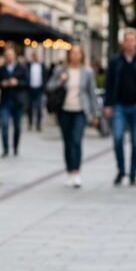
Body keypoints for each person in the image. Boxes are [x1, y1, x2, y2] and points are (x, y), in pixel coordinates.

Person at [46, 45, 98, 187]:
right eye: (73, 53)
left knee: (76, 140)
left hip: (81, 111)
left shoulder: (87, 72)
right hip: (64, 111)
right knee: (68, 142)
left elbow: (92, 93)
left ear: (81, 55)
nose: (75, 56)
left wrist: (95, 113)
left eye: (78, 53)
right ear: (69, 55)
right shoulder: (60, 70)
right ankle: (69, 171)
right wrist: (60, 80)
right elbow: (49, 87)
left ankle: (76, 172)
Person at [104, 28, 136, 186]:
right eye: (127, 40)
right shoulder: (115, 61)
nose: (129, 43)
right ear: (123, 43)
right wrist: (108, 104)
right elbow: (109, 83)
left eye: (132, 40)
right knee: (117, 138)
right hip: (119, 106)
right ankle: (121, 170)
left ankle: (133, 173)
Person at [0, 44, 27, 156]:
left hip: (17, 101)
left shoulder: (21, 68)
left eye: (10, 55)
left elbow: (26, 83)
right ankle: (5, 149)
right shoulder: (1, 69)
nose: (8, 57)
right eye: (6, 55)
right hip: (5, 101)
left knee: (17, 127)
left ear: (14, 55)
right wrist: (2, 83)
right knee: (4, 125)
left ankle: (16, 147)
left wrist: (17, 82)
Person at [26, 50, 46, 131]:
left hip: (39, 89)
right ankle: (30, 122)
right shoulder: (28, 65)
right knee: (30, 107)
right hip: (30, 89)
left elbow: (45, 76)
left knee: (39, 107)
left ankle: (38, 123)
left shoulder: (42, 65)